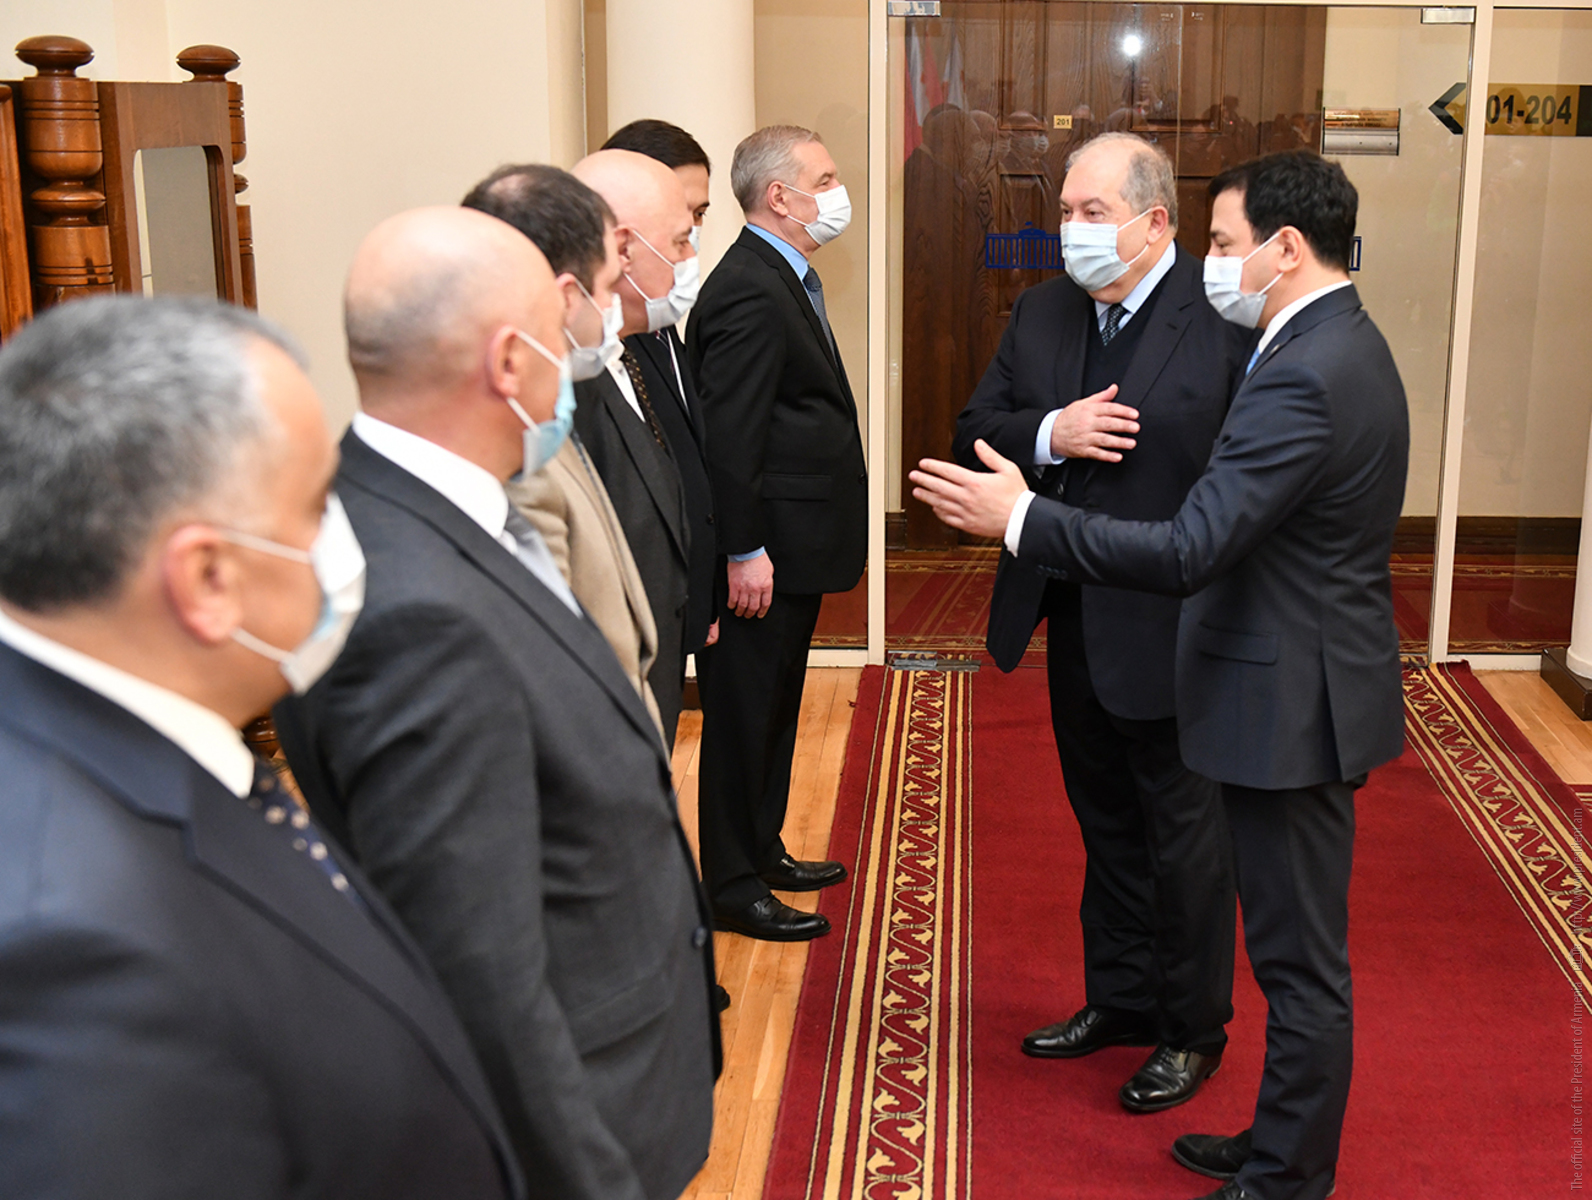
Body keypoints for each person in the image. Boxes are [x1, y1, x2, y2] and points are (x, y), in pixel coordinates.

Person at [911, 149, 1408, 1200]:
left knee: (1276, 940)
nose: (1212, 259)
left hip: (1240, 663)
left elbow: (1196, 541)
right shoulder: (1323, 344)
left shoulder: (1288, 358)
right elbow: (984, 424)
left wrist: (1024, 519)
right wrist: (1049, 443)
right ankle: (1243, 1116)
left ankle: (1265, 1144)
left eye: (1221, 241)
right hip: (1164, 637)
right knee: (1135, 846)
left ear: (1281, 247)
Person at [0, 296, 519, 1199]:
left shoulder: (124, 750)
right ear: (207, 578)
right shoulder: (75, 948)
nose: (345, 539)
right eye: (318, 505)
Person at [272, 207, 718, 1200]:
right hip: (579, 1123)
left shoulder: (410, 507)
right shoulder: (413, 613)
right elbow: (479, 977)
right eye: (560, 331)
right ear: (511, 363)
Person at [954, 132, 1249, 1114]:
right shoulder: (1041, 310)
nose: (1069, 231)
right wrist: (1051, 432)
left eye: (1092, 213)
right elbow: (975, 429)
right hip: (1070, 611)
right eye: (1064, 212)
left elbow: (1244, 477)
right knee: (1105, 820)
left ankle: (1190, 1030)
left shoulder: (1222, 312)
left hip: (1179, 620)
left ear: (1155, 223)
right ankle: (1120, 1000)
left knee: (1185, 840)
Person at [686, 125, 866, 942]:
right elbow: (731, 436)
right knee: (742, 716)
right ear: (779, 197)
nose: (836, 192)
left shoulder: (782, 275)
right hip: (764, 554)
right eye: (823, 180)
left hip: (794, 547)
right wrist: (744, 549)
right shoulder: (750, 289)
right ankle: (730, 883)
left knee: (775, 709)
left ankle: (761, 850)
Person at [463, 163, 665, 736]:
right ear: (567, 297)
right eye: (608, 287)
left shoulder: (549, 409)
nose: (614, 307)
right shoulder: (514, 447)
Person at [569, 149, 698, 746]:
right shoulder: (565, 384)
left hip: (652, 672)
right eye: (680, 241)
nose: (690, 260)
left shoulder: (627, 354)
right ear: (623, 248)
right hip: (604, 699)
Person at [601, 120, 721, 688]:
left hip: (672, 611)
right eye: (680, 228)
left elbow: (685, 461)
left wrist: (701, 594)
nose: (692, 245)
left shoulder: (657, 318)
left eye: (698, 218)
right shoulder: (584, 361)